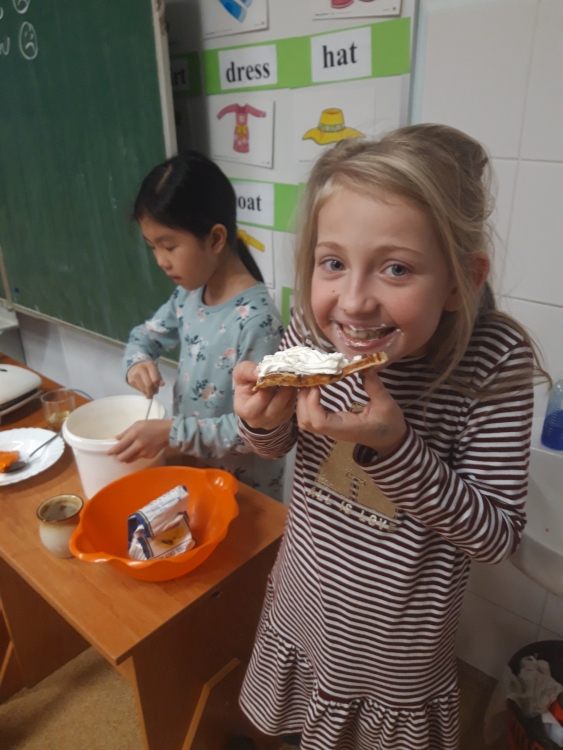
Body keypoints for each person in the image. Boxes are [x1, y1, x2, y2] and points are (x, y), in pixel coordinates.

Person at [232, 124, 550, 749]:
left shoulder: (492, 361)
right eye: (332, 263)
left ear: (461, 280)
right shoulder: (312, 329)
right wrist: (262, 424)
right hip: (303, 603)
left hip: (396, 651)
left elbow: (495, 537)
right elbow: (278, 444)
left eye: (396, 268)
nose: (353, 303)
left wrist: (397, 448)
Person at [109, 151, 285, 500]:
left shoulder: (258, 322)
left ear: (216, 239)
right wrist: (137, 362)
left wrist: (172, 433)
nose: (161, 261)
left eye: (169, 246)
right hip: (194, 472)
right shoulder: (189, 294)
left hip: (244, 493)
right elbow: (144, 336)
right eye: (152, 247)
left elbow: (255, 430)